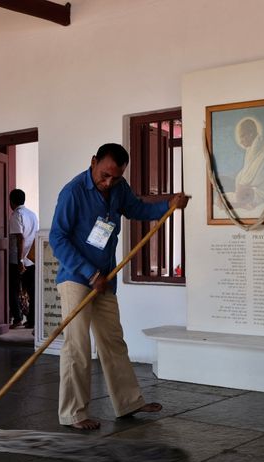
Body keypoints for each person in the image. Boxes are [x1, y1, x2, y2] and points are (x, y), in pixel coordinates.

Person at [49, 143, 189, 430]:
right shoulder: (73, 192)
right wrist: (89, 274)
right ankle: (73, 413)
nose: (109, 182)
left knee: (113, 341)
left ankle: (128, 403)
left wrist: (169, 206)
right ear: (93, 162)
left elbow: (136, 209)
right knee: (77, 346)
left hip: (105, 278)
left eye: (115, 177)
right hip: (77, 278)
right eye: (104, 175)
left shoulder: (119, 187)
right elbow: (58, 239)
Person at [227, 117, 264, 211]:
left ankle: (241, 205)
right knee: (220, 199)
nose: (241, 141)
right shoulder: (250, 151)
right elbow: (245, 173)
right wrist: (241, 185)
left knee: (241, 193)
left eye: (242, 136)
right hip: (248, 192)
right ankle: (241, 204)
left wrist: (242, 186)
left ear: (250, 134)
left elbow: (258, 177)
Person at [8, 188, 39, 329]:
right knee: (32, 290)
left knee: (13, 288)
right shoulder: (33, 215)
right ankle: (32, 319)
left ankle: (17, 318)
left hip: (18, 260)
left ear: (12, 202)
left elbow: (20, 238)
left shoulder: (16, 215)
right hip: (31, 258)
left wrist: (20, 260)